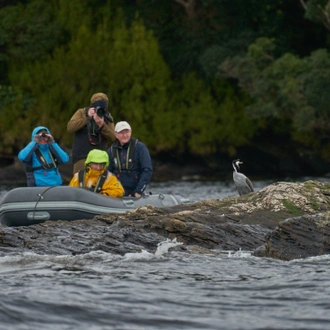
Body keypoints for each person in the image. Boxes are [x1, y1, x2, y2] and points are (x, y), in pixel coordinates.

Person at [67, 92, 115, 174]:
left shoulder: (107, 117)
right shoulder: (82, 112)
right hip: (82, 156)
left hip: (100, 158)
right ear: (91, 106)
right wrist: (87, 118)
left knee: (100, 184)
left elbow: (113, 138)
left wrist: (102, 125)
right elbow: (70, 128)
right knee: (80, 183)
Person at [107, 121, 153, 198]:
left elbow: (147, 170)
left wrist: (138, 191)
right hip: (116, 193)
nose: (124, 135)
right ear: (116, 135)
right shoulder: (110, 151)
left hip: (135, 193)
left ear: (131, 132)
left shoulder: (140, 148)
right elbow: (107, 173)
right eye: (121, 132)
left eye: (127, 132)